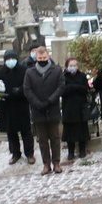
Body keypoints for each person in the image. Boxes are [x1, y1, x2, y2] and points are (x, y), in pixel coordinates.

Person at [23, 47, 65, 175]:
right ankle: (46, 164)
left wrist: (50, 101)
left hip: (52, 108)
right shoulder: (30, 72)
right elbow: (27, 90)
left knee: (55, 137)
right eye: (40, 59)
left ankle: (56, 162)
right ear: (36, 58)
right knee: (42, 139)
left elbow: (61, 87)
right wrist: (38, 103)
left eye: (44, 58)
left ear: (48, 56)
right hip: (38, 110)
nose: (42, 60)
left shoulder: (56, 70)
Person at [0, 50, 34, 165]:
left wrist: (20, 91)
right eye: (7, 59)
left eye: (12, 59)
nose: (10, 61)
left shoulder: (24, 71)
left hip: (21, 104)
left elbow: (28, 86)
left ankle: (29, 153)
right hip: (6, 105)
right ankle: (15, 153)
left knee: (26, 131)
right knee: (11, 131)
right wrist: (0, 94)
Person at [61, 58, 91, 160]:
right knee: (70, 130)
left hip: (80, 106)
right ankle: (71, 151)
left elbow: (86, 89)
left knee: (82, 129)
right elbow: (62, 91)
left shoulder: (82, 76)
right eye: (70, 65)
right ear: (66, 67)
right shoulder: (63, 77)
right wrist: (74, 87)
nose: (72, 67)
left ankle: (82, 150)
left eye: (74, 65)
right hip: (68, 107)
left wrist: (73, 87)